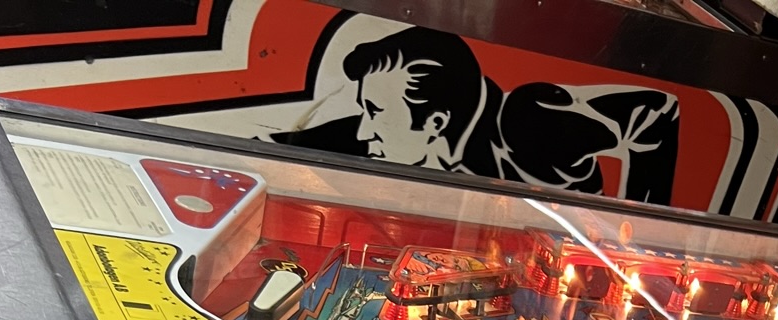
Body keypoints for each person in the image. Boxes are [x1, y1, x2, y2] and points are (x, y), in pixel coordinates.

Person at [275, 27, 682, 204]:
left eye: (375, 112)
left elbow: (654, 112)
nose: (365, 130)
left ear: (436, 123)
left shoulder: (531, 123)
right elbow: (303, 145)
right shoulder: (391, 129)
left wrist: (638, 237)